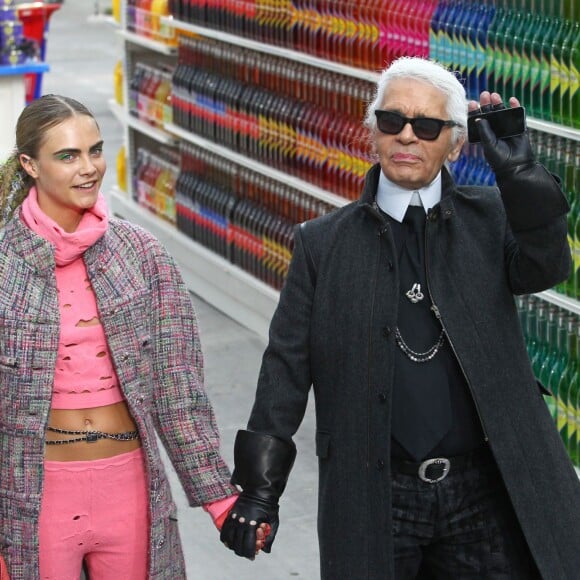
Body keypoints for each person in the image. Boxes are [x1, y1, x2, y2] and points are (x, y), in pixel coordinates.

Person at [219, 57, 580, 579]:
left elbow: (546, 267)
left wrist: (520, 175)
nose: (407, 136)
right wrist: (259, 491)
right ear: (372, 133)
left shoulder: (490, 218)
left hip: (485, 490)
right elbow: (285, 369)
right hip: (374, 494)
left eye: (428, 126)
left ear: (455, 143)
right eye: (392, 121)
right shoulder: (322, 244)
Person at [0, 94, 266, 580]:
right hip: (32, 500)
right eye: (68, 155)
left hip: (129, 489)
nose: (88, 168)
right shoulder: (3, 263)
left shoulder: (141, 254)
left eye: (95, 151)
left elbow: (177, 387)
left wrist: (221, 498)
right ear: (29, 165)